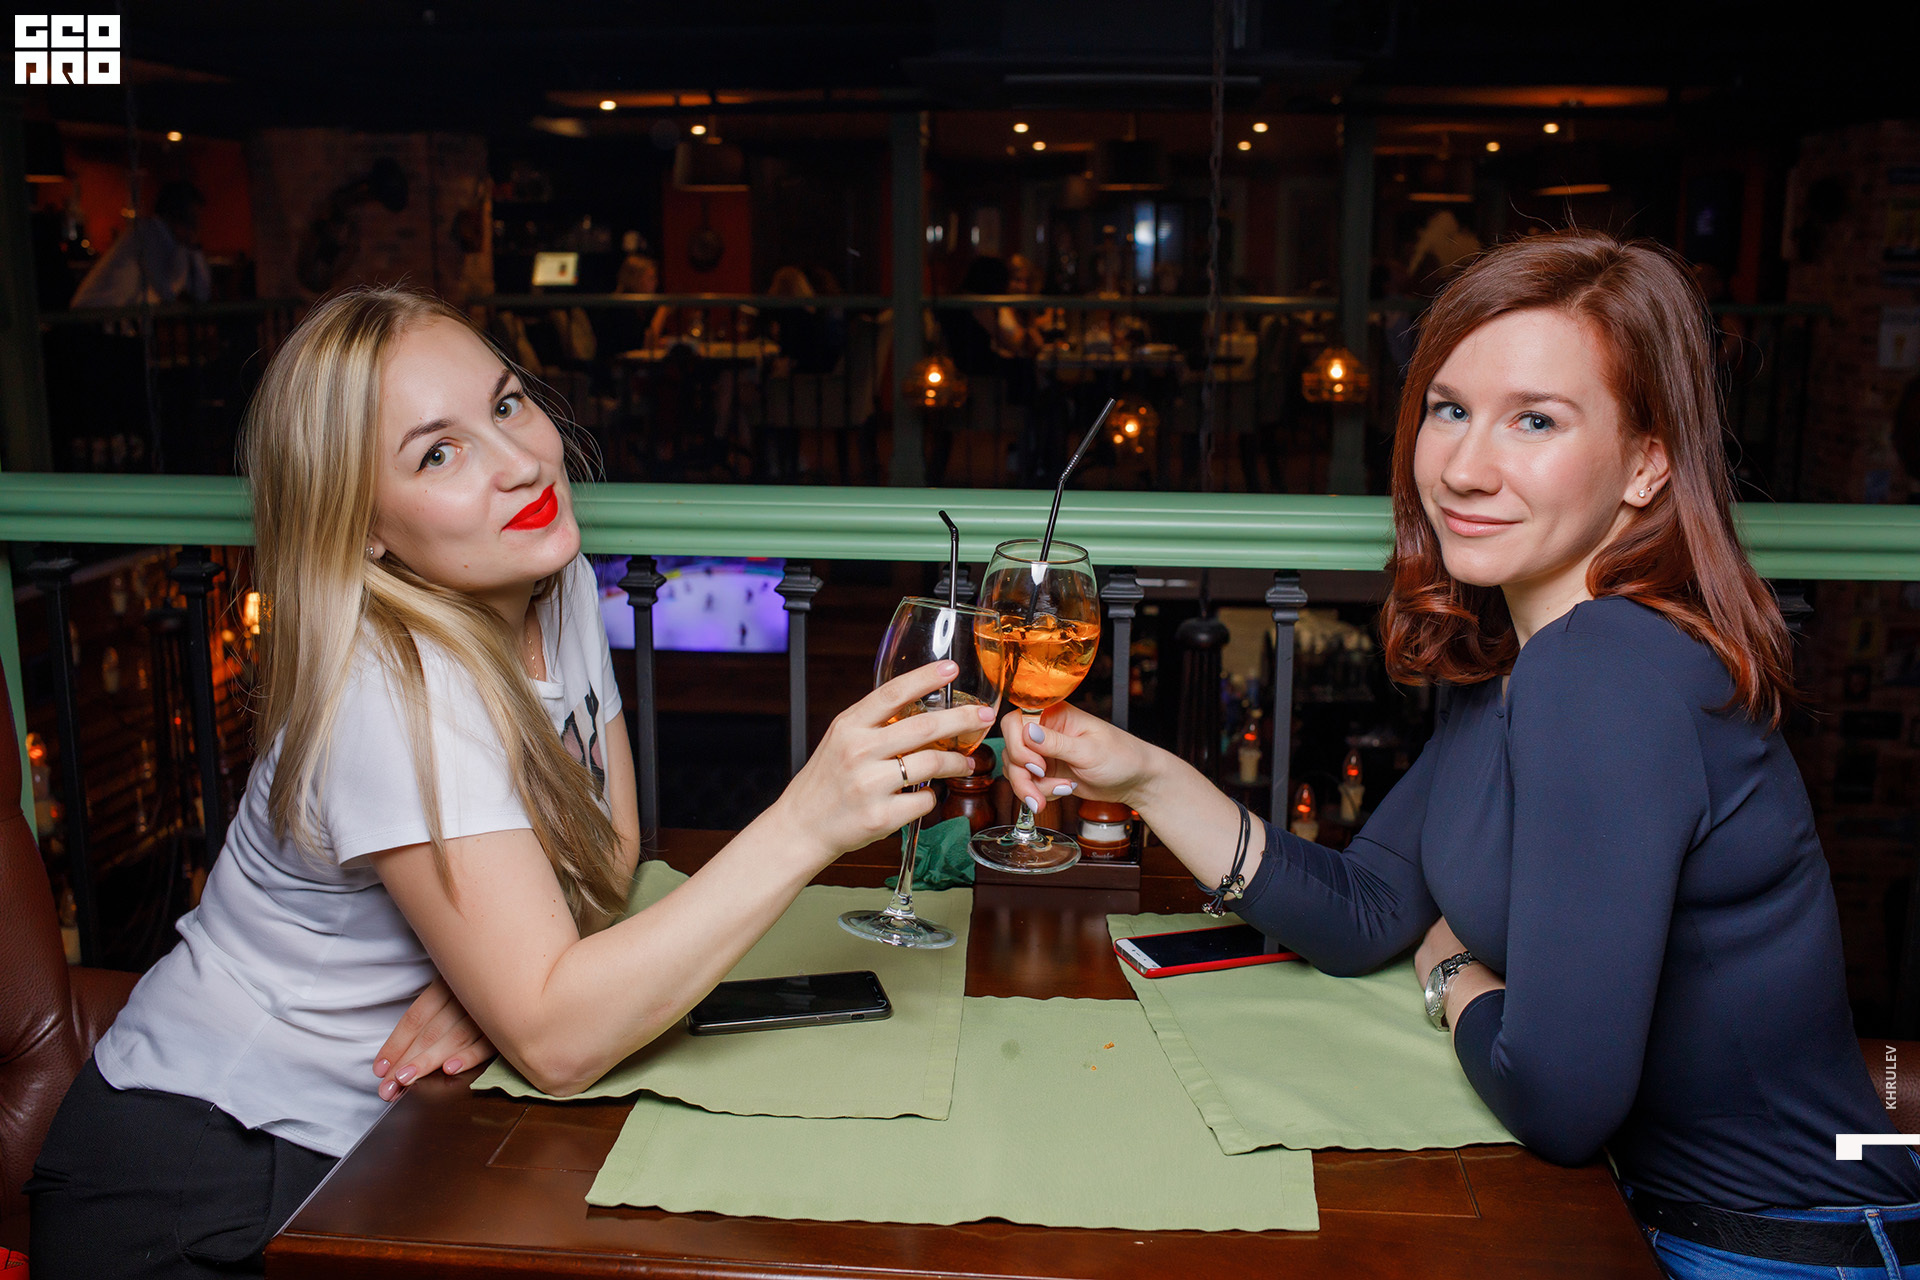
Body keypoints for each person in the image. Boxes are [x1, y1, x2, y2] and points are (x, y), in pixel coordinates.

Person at [999, 230, 1920, 1278]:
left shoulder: (1605, 669)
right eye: (1449, 409)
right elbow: (1362, 914)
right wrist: (1146, 776)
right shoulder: (1525, 664)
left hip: (1778, 1250)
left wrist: (1453, 976)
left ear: (1648, 462)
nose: (1465, 469)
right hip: (1677, 1221)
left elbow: (1560, 1102)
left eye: (1536, 419)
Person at [25, 285, 987, 1279]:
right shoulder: (392, 690)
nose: (521, 462)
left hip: (378, 1145)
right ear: (361, 526)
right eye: (437, 454)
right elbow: (561, 1047)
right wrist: (803, 824)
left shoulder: (548, 578)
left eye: (506, 404)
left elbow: (611, 848)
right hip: (201, 1176)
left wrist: (502, 986)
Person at [69, 180, 211, 309]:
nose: (195, 227)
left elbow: (201, 294)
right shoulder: (147, 233)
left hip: (114, 320)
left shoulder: (176, 244)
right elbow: (165, 291)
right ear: (174, 214)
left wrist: (194, 248)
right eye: (192, 219)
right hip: (92, 319)